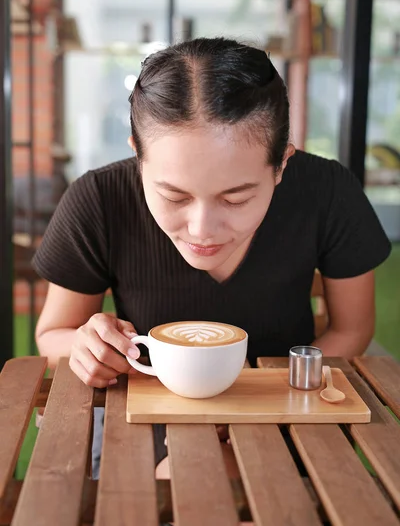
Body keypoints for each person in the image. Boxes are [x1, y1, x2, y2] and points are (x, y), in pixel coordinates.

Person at [33, 37, 391, 480]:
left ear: (281, 165)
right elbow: (53, 336)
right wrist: (86, 347)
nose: (202, 229)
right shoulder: (99, 199)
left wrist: (258, 411)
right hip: (144, 410)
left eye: (237, 198)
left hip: (286, 409)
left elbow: (351, 328)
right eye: (173, 195)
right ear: (138, 155)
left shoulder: (328, 192)